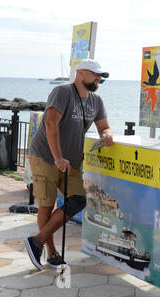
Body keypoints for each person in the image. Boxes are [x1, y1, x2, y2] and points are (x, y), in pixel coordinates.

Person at [25, 59, 114, 270]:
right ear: (81, 73)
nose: (99, 79)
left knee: (78, 200)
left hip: (71, 163)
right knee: (47, 205)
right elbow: (50, 122)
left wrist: (108, 135)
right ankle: (52, 253)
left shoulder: (96, 101)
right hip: (46, 156)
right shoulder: (62, 92)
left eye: (101, 76)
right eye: (96, 74)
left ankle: (36, 241)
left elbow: (105, 127)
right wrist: (57, 157)